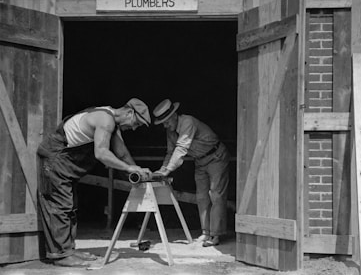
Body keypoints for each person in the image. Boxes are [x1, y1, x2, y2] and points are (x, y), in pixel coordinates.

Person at [37, 98, 152, 267]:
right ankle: (61, 255)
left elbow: (122, 155)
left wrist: (138, 171)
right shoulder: (105, 120)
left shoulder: (112, 122)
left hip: (63, 163)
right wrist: (129, 170)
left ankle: (69, 250)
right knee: (60, 206)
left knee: (70, 207)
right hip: (55, 159)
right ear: (129, 112)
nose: (134, 128)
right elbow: (101, 153)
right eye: (137, 123)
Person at [152, 99, 230, 247]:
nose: (165, 125)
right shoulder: (170, 131)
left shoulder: (188, 121)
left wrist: (167, 171)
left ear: (174, 116)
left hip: (216, 157)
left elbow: (181, 148)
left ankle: (215, 235)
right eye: (162, 122)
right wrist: (162, 170)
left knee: (216, 194)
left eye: (166, 121)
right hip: (200, 161)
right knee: (201, 196)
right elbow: (170, 153)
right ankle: (205, 232)